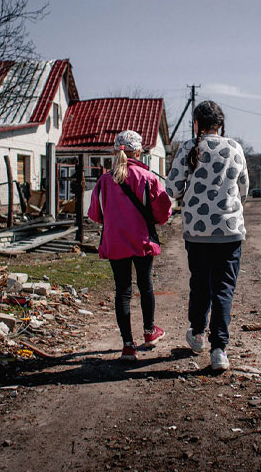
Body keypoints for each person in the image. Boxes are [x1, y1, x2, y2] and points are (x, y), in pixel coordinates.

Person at [165, 101, 249, 371]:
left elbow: (173, 189)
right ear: (220, 124)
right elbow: (244, 188)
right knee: (224, 288)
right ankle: (219, 350)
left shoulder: (190, 148)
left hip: (197, 232)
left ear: (196, 123)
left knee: (200, 283)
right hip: (230, 231)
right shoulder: (234, 147)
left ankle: (198, 333)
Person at [88, 130, 172, 361]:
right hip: (142, 240)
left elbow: (96, 213)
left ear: (116, 151)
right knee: (145, 284)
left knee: (122, 291)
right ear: (139, 151)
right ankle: (149, 332)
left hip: (115, 242)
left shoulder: (105, 180)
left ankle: (127, 345)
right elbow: (163, 212)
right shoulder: (149, 178)